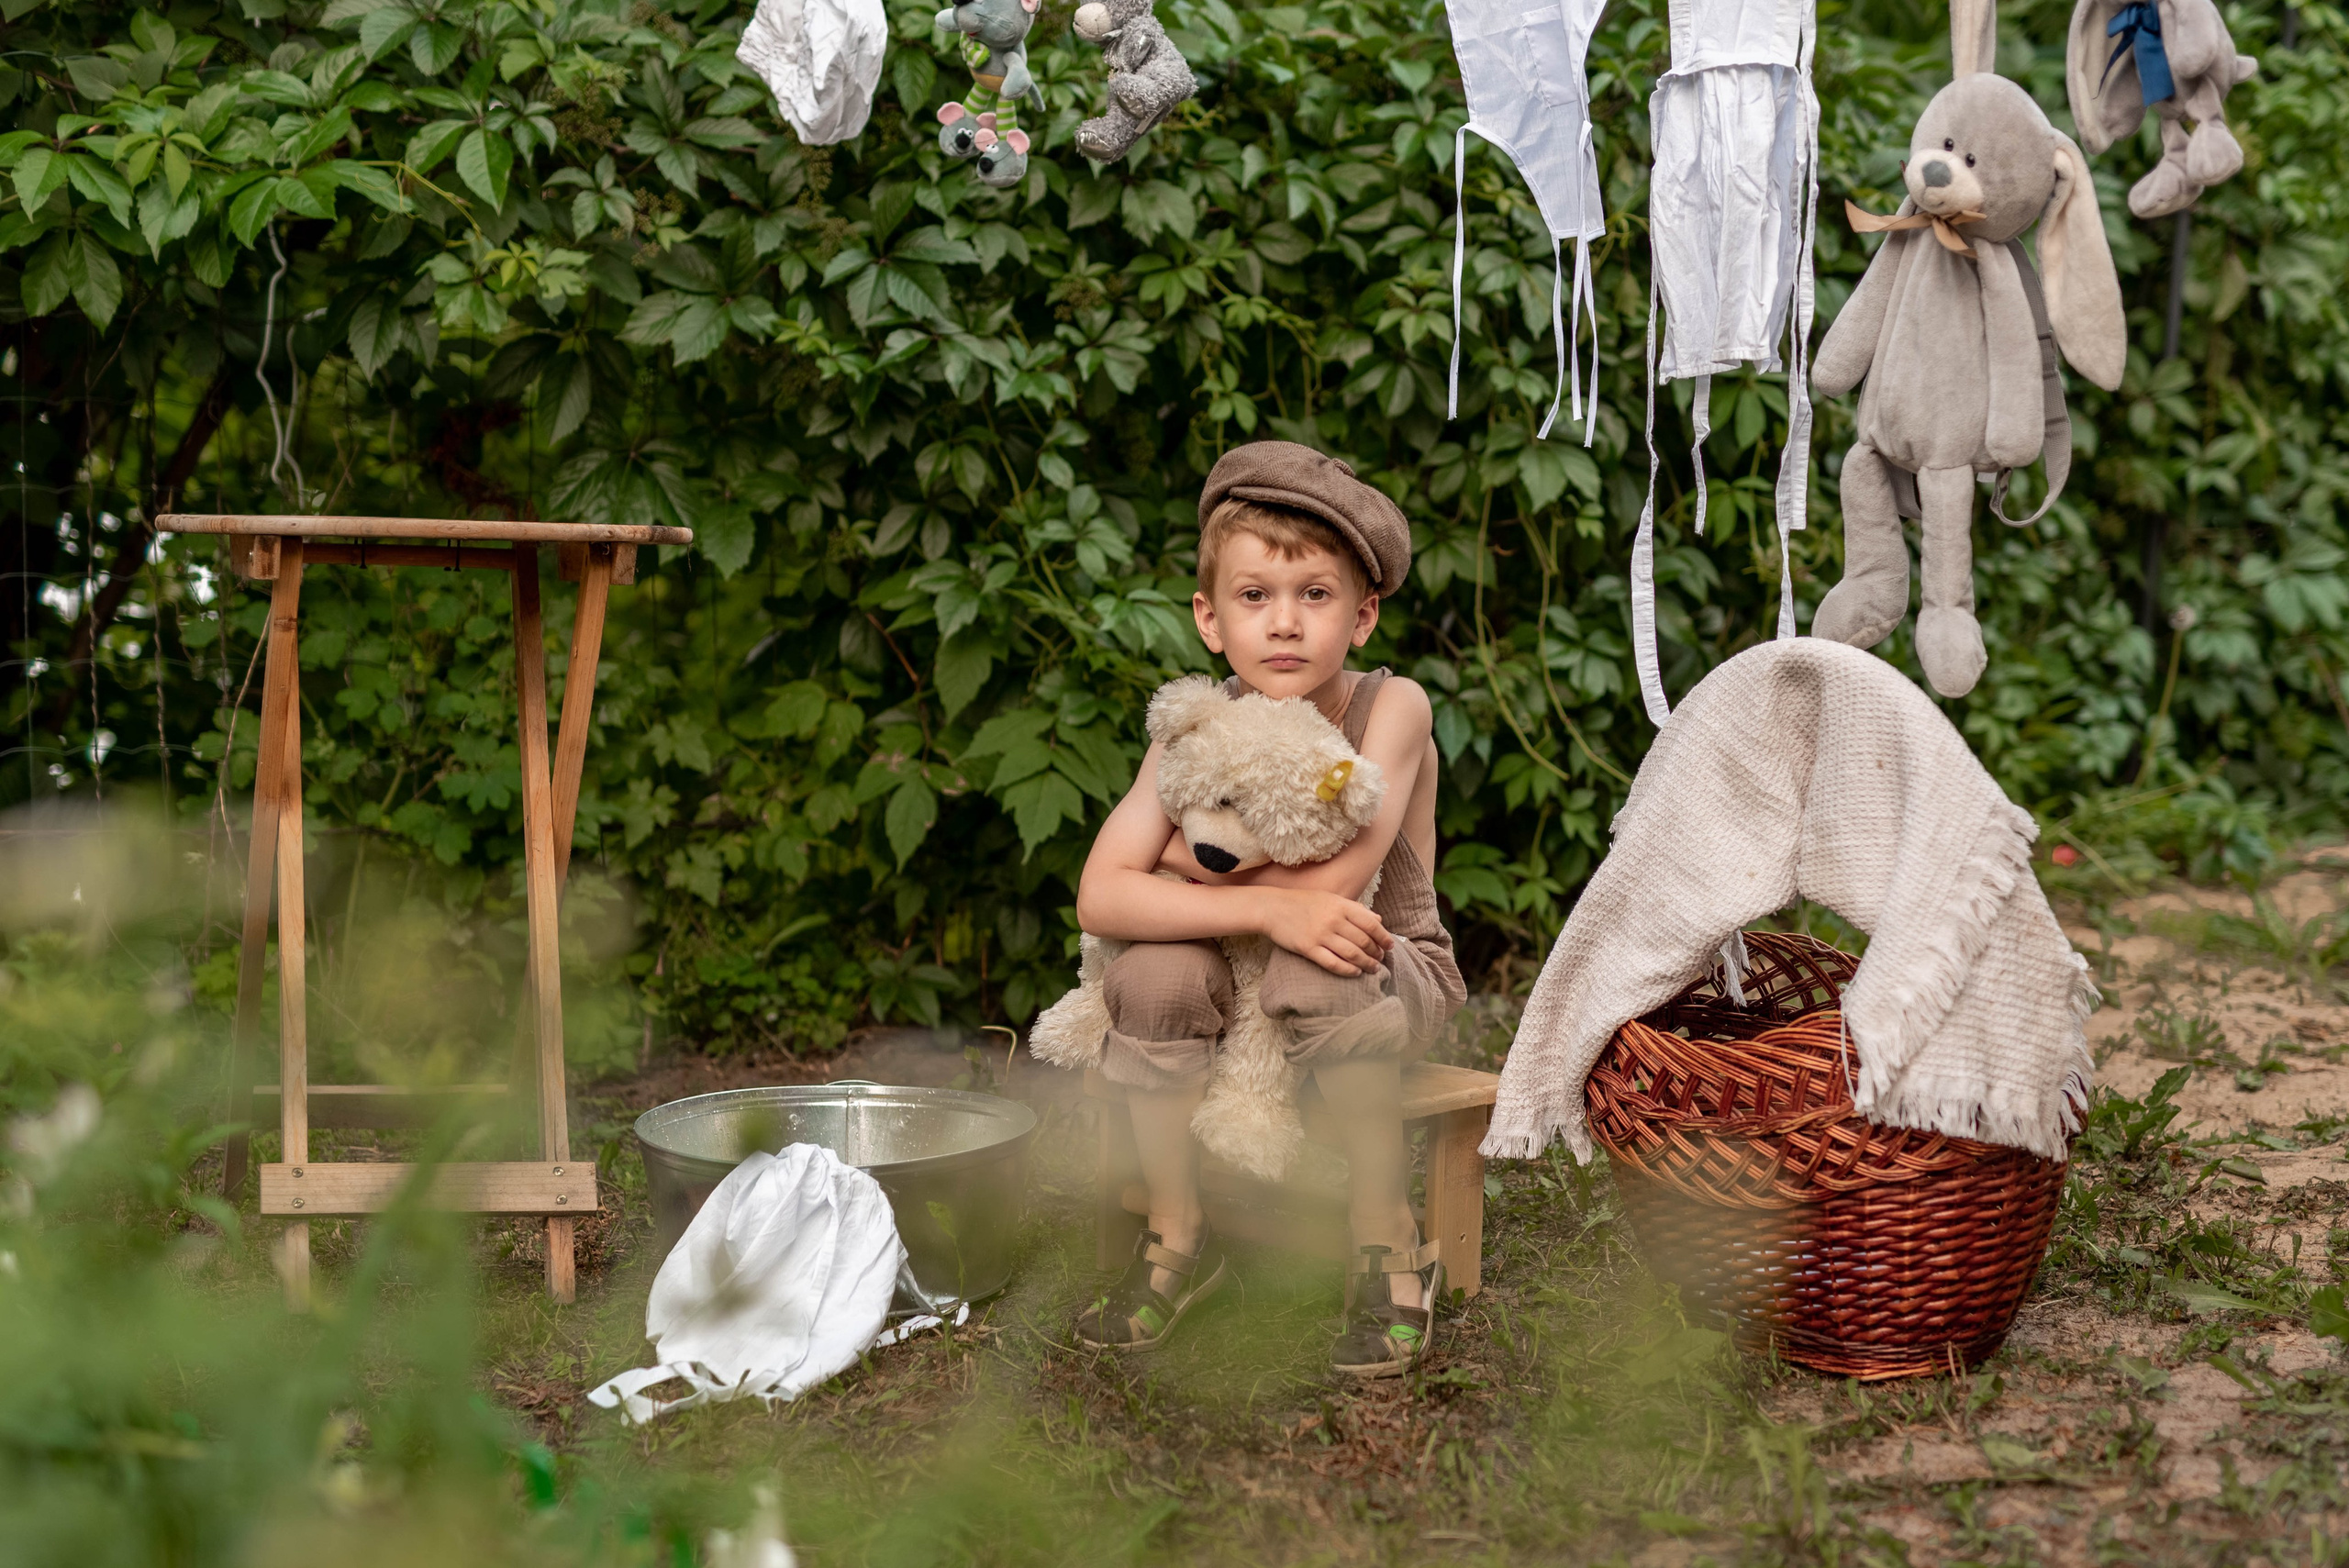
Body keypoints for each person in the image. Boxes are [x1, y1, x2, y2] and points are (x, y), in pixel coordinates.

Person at [1068, 440, 1468, 1377]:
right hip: (1241, 967)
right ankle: (1179, 1227)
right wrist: (1255, 906)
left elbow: (1334, 894)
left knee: (1314, 957)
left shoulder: (1389, 707)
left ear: (1363, 615)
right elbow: (1100, 893)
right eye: (1255, 597)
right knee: (1149, 972)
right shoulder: (1195, 732)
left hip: (1379, 963)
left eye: (1315, 596)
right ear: (1210, 619)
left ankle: (1387, 1234)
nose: (1283, 624)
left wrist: (1179, 864)